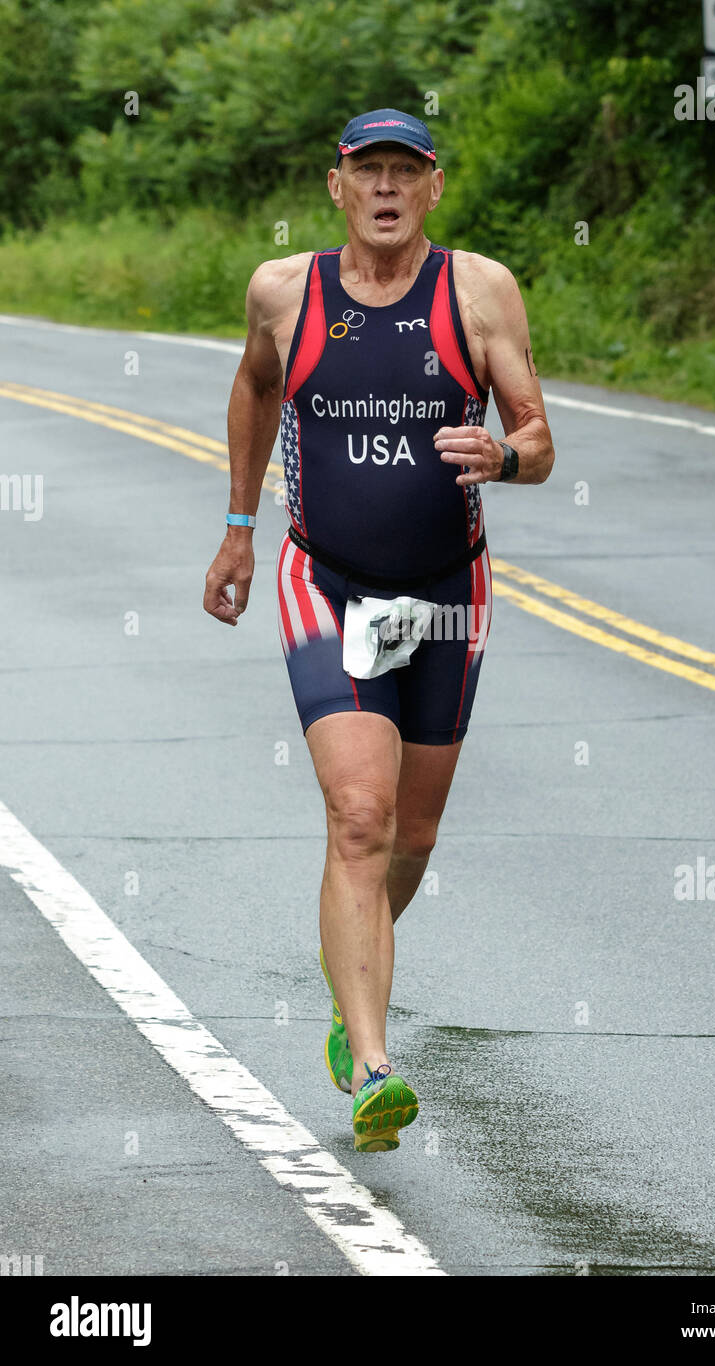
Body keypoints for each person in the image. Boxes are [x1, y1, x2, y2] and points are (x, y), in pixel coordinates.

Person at [203, 108, 554, 1152]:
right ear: (337, 186)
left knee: (411, 834)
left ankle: (346, 976)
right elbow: (254, 387)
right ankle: (370, 1062)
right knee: (357, 813)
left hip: (447, 590)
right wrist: (235, 529)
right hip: (328, 580)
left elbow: (536, 434)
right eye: (370, 172)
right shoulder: (283, 291)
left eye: (407, 170)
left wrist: (507, 457)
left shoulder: (478, 290)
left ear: (433, 188)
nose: (388, 187)